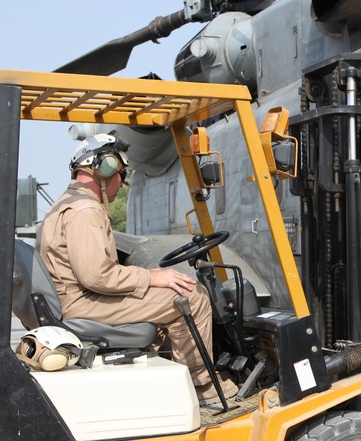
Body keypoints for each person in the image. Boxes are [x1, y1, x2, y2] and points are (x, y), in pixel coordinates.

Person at [38, 131, 236, 405]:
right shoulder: (86, 211)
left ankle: (170, 374)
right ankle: (201, 386)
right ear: (104, 168)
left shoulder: (66, 204)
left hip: (73, 300)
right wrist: (152, 276)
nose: (121, 183)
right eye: (121, 173)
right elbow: (97, 275)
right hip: (81, 303)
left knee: (165, 304)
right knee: (192, 297)